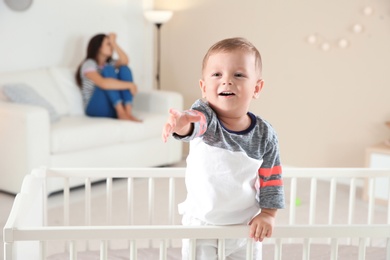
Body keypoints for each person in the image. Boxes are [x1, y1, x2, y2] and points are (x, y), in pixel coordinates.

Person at [162, 37, 285, 259]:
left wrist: (268, 214)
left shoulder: (264, 135)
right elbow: (195, 123)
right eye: (217, 74)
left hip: (245, 225)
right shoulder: (206, 116)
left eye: (238, 75)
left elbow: (271, 179)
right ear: (204, 87)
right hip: (202, 224)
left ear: (257, 88)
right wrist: (182, 124)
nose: (226, 81)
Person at [75, 33, 141, 122]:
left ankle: (127, 112)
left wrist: (114, 43)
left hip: (111, 107)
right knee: (108, 69)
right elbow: (103, 84)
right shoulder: (89, 64)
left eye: (111, 44)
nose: (112, 47)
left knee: (124, 69)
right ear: (98, 47)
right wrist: (130, 85)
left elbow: (125, 61)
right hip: (95, 108)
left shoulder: (110, 63)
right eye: (108, 44)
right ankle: (121, 112)